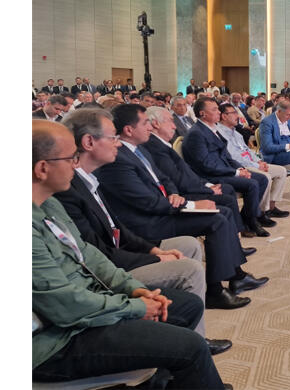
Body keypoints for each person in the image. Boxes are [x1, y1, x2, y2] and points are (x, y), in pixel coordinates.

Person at [32, 120, 230, 389]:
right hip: (54, 341)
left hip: (86, 307)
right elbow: (65, 305)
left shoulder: (50, 203)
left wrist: (134, 289)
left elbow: (89, 255)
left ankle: (168, 379)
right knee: (191, 346)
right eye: (70, 158)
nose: (75, 165)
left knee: (188, 306)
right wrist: (135, 307)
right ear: (42, 168)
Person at [94, 104, 265, 308]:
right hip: (148, 223)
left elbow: (163, 178)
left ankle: (236, 275)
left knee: (223, 212)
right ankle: (216, 290)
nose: (150, 127)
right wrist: (190, 204)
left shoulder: (137, 150)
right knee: (217, 219)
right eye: (145, 123)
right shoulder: (118, 160)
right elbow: (147, 202)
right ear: (129, 130)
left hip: (164, 208)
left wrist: (174, 194)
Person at [142, 106, 252, 237]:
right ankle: (236, 235)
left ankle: (237, 233)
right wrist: (208, 190)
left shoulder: (162, 144)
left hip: (194, 182)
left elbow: (186, 172)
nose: (174, 126)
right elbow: (177, 179)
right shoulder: (155, 146)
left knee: (227, 189)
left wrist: (208, 185)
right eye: (170, 121)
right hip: (182, 193)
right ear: (156, 124)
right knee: (227, 200)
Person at [182, 98, 271, 237]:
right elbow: (206, 165)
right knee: (252, 184)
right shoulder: (196, 134)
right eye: (214, 109)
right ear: (203, 113)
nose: (219, 112)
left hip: (223, 170)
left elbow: (226, 156)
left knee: (262, 179)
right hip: (210, 175)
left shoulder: (212, 129)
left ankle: (246, 217)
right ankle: (251, 221)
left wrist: (240, 169)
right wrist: (236, 172)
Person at [216, 103, 290, 221]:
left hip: (252, 163)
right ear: (224, 116)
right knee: (265, 177)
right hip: (241, 166)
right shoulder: (220, 133)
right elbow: (234, 158)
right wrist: (256, 165)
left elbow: (248, 150)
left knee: (281, 171)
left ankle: (271, 206)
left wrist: (259, 161)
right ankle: (261, 211)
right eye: (234, 113)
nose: (237, 116)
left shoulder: (236, 132)